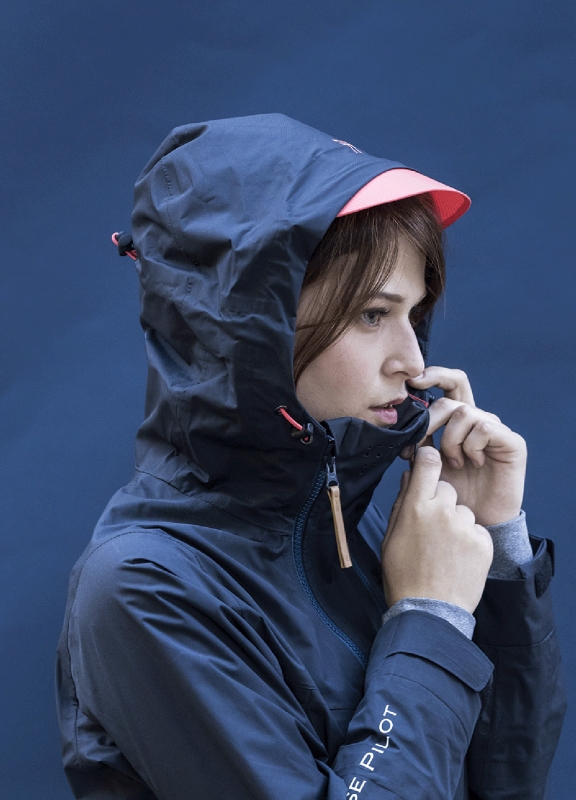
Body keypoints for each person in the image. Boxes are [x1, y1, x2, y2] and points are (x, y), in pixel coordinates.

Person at [56, 114, 565, 800]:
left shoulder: (357, 525)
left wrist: (493, 552)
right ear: (244, 321)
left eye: (414, 315)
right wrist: (429, 618)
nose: (412, 361)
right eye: (372, 315)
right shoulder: (144, 591)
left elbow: (507, 785)